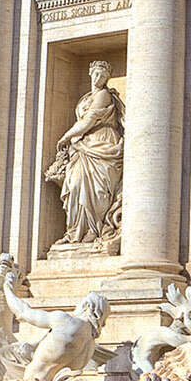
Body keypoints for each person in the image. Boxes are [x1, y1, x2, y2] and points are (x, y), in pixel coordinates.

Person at [45, 60, 125, 246]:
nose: (99, 78)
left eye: (103, 76)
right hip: (83, 145)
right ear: (90, 73)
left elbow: (89, 121)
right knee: (75, 184)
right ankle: (75, 230)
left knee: (98, 189)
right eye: (97, 74)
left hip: (102, 142)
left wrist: (66, 136)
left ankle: (94, 229)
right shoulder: (85, 98)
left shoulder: (104, 95)